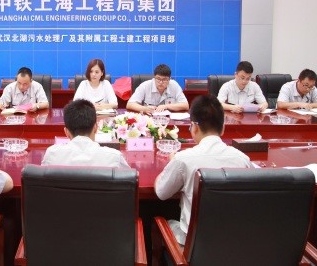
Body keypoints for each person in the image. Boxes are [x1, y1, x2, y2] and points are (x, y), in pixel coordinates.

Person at [154, 94, 252, 246]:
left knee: (160, 222)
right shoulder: (243, 159)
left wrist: (171, 162)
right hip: (234, 243)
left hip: (193, 245)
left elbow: (161, 193)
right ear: (223, 127)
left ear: (195, 127)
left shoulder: (183, 159)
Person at [42, 99, 130, 167]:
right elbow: (130, 182)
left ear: (66, 132)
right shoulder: (114, 158)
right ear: (96, 128)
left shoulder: (51, 155)